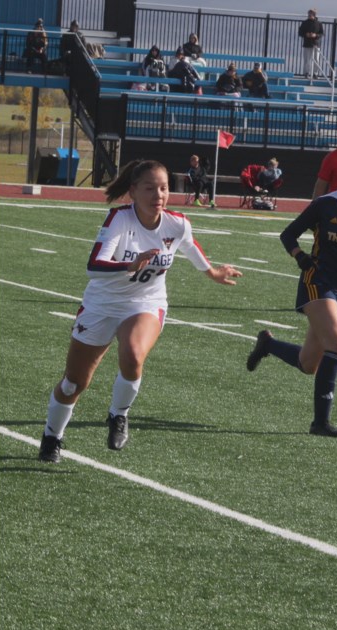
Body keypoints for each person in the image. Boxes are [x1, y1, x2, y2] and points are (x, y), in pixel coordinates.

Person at [38, 160, 242, 463]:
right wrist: (128, 265)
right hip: (102, 305)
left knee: (133, 354)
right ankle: (52, 436)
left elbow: (190, 246)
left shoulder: (178, 223)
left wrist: (212, 272)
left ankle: (118, 415)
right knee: (73, 382)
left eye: (163, 188)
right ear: (133, 191)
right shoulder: (119, 219)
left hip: (146, 302)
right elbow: (94, 266)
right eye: (149, 188)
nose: (158, 194)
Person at [245, 155, 337, 437]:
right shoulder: (326, 204)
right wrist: (300, 257)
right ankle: (320, 423)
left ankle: (268, 345)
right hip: (318, 282)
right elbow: (289, 234)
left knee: (309, 364)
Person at [298, 9, 324, 78]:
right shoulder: (304, 23)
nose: (309, 15)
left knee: (316, 59)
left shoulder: (319, 23)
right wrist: (306, 34)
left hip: (316, 44)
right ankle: (306, 73)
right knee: (307, 59)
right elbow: (300, 32)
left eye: (311, 14)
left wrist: (315, 35)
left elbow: (322, 33)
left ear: (314, 15)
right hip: (307, 43)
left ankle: (315, 73)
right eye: (309, 14)